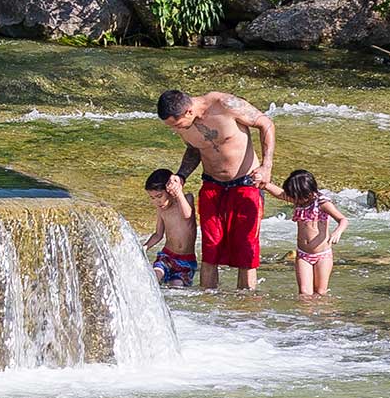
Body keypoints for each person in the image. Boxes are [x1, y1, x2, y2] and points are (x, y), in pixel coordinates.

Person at [155, 89, 277, 290]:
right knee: (210, 251)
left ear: (188, 111)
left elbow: (266, 124)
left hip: (246, 183)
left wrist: (266, 166)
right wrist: (181, 176)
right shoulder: (185, 125)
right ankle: (209, 308)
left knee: (246, 250)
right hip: (212, 185)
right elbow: (195, 149)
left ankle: (245, 309)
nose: (176, 130)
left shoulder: (224, 105)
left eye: (176, 125)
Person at [262, 169, 349, 296]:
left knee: (320, 292)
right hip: (303, 255)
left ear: (308, 192)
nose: (293, 199)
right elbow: (280, 194)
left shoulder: (322, 203)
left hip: (323, 255)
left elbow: (343, 219)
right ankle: (305, 315)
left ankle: (320, 315)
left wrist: (337, 232)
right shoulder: (299, 200)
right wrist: (266, 185)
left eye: (296, 196)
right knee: (304, 293)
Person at [142, 169, 197, 287]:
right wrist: (144, 247)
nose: (156, 201)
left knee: (176, 286)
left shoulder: (187, 199)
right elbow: (158, 234)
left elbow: (187, 215)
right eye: (152, 198)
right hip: (166, 256)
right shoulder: (161, 209)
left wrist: (178, 192)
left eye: (159, 196)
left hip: (186, 261)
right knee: (154, 278)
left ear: (169, 190)